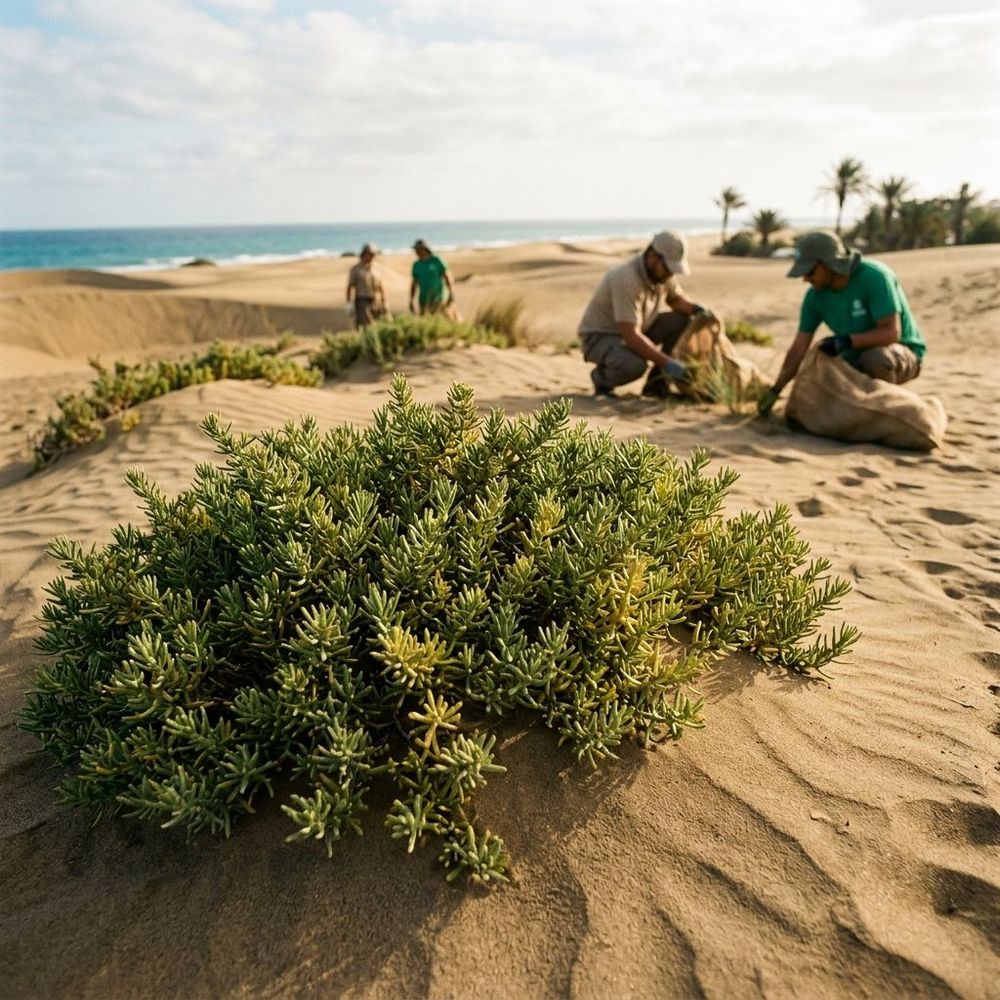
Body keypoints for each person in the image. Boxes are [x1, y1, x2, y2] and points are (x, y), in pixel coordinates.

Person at [759, 230, 926, 414]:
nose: (805, 279)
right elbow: (799, 347)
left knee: (875, 360)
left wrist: (846, 341)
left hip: (900, 353)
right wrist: (776, 389)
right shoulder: (815, 297)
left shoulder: (875, 277)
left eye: (810, 271)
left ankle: (884, 410)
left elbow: (891, 333)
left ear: (829, 264)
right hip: (853, 359)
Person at [579, 230, 714, 397]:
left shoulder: (662, 274)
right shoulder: (626, 279)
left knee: (681, 321)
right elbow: (630, 335)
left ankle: (656, 385)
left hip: (636, 329)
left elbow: (676, 300)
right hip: (601, 337)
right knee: (634, 365)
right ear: (652, 257)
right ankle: (602, 380)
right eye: (668, 268)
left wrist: (697, 310)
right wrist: (669, 364)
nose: (671, 274)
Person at [410, 239, 456, 315]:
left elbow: (447, 277)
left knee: (440, 318)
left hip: (439, 298)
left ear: (424, 249)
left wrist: (451, 293)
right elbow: (414, 283)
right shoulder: (416, 264)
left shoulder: (436, 260)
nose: (416, 252)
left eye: (417, 249)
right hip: (423, 300)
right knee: (425, 319)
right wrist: (411, 300)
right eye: (415, 250)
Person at [346, 243, 387, 328]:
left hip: (375, 301)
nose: (372, 257)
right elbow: (350, 286)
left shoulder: (375, 269)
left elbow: (380, 286)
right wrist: (349, 303)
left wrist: (384, 300)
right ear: (364, 254)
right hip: (362, 301)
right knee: (365, 325)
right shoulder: (356, 269)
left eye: (373, 255)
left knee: (377, 324)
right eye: (370, 254)